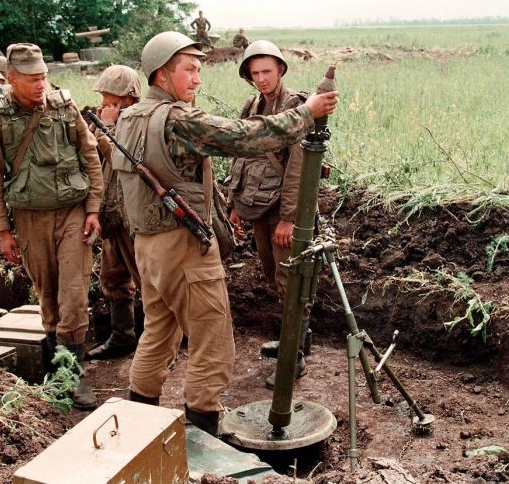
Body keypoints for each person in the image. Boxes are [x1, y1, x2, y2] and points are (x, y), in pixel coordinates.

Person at [110, 31, 338, 436]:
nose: (197, 79)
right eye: (190, 70)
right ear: (162, 74)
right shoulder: (179, 118)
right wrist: (308, 113)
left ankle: (137, 425)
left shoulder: (128, 117)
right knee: (213, 343)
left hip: (147, 245)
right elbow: (245, 137)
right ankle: (201, 434)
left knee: (158, 332)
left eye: (199, 70)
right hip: (183, 247)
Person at [0, 43, 104, 410]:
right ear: (11, 80)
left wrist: (93, 207)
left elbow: (90, 154)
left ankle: (72, 376)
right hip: (30, 219)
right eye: (32, 79)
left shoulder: (65, 105)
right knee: (48, 294)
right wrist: (3, 230)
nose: (41, 85)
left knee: (75, 293)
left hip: (73, 214)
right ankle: (56, 369)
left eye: (44, 77)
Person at [228, 40, 317, 390]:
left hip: (283, 211)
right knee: (271, 272)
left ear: (280, 69)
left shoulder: (297, 107)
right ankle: (297, 341)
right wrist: (235, 204)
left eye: (267, 71)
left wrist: (289, 218)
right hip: (258, 206)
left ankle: (293, 360)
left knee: (290, 281)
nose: (261, 78)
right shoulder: (253, 105)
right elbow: (242, 155)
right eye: (255, 73)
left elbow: (298, 168)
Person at [84, 65, 144, 360]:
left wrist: (105, 130)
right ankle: (123, 336)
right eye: (105, 101)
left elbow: (124, 160)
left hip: (132, 217)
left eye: (113, 102)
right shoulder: (104, 121)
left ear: (129, 100)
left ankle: (163, 346)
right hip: (111, 216)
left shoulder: (138, 123)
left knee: (148, 282)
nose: (106, 106)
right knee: (113, 280)